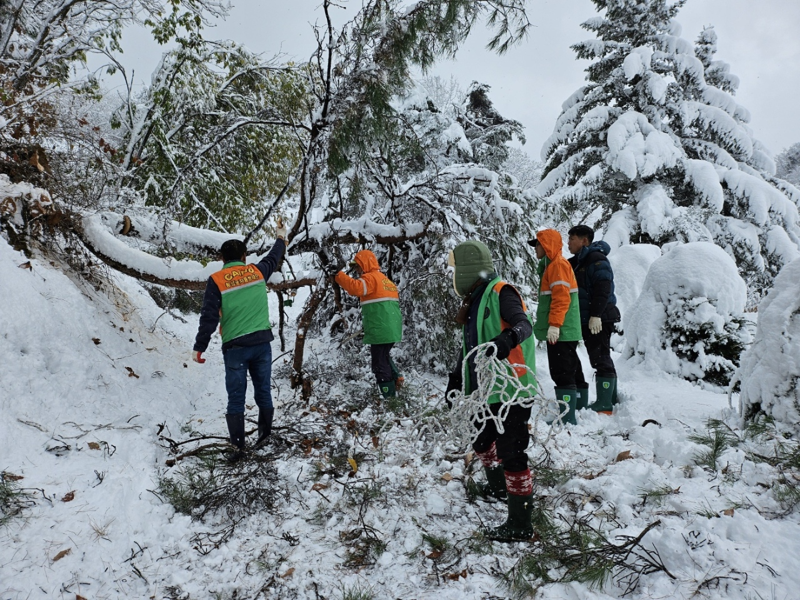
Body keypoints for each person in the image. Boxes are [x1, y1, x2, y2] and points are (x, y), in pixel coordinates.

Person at [445, 240, 537, 542]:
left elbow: (525, 325)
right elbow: (469, 347)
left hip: (511, 389)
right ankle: (498, 487)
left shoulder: (501, 292)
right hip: (486, 392)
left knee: (512, 453)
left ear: (468, 268)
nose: (453, 275)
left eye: (456, 269)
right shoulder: (475, 300)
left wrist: (507, 339)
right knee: (482, 440)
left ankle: (520, 524)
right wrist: (456, 378)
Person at [192, 223, 287, 460]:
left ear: (221, 258)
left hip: (235, 347)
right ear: (244, 257)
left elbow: (209, 316)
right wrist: (280, 238)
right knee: (263, 391)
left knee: (236, 397)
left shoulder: (217, 280)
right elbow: (274, 256)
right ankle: (264, 439)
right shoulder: (257, 271)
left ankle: (238, 449)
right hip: (262, 344)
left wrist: (199, 346)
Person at [331, 250, 403, 398]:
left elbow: (354, 288)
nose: (357, 270)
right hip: (391, 328)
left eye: (358, 267)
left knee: (379, 364)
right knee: (384, 356)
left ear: (364, 264)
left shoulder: (370, 279)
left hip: (381, 329)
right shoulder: (385, 281)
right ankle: (397, 378)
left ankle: (389, 398)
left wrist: (338, 275)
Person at [529, 229, 582, 425]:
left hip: (562, 329)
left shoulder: (557, 266)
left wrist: (554, 325)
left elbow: (561, 298)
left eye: (538, 244)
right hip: (565, 329)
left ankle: (567, 417)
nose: (535, 248)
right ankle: (578, 408)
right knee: (570, 369)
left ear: (547, 245)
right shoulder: (553, 266)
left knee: (562, 372)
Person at [567, 225, 621, 414]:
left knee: (600, 357)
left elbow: (603, 288)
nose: (568, 242)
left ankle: (605, 404)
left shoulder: (596, 259)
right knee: (601, 356)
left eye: (572, 238)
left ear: (584, 240)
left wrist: (596, 315)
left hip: (599, 317)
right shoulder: (580, 261)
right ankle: (610, 399)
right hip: (591, 317)